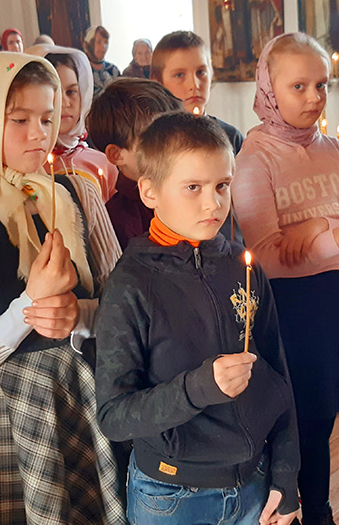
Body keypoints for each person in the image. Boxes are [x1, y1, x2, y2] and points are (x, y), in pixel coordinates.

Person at [0, 51, 125, 524]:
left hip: (93, 391)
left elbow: (128, 306)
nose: (39, 134)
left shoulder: (79, 192)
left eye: (48, 118)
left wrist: (82, 315)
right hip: (14, 415)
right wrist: (28, 305)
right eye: (19, 120)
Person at [96, 111, 301, 525]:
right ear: (150, 191)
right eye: (193, 187)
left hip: (255, 486)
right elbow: (114, 416)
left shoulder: (243, 267)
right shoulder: (131, 285)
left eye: (222, 185)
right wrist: (199, 387)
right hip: (172, 497)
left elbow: (278, 376)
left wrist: (286, 475)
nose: (213, 203)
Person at [233, 33, 339, 525]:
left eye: (321, 85)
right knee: (289, 420)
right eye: (298, 86)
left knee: (321, 420)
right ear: (268, 87)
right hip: (289, 307)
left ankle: (318, 508)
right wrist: (338, 229)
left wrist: (318, 229)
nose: (314, 98)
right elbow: (271, 256)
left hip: (335, 302)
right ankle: (286, 507)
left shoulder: (336, 151)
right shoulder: (255, 157)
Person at [86, 78, 183, 250]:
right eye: (155, 140)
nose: (171, 148)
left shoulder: (186, 192)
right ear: (116, 155)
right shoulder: (121, 218)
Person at [28, 44, 118, 202]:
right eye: (53, 93)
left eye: (71, 92)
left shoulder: (103, 162)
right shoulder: (24, 165)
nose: (64, 103)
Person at [151, 30, 245, 154]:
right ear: (158, 82)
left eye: (201, 72)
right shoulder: (152, 143)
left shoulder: (231, 137)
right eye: (179, 75)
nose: (194, 85)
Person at [84, 25, 120, 95]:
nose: (103, 46)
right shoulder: (82, 70)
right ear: (89, 43)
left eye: (106, 42)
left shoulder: (113, 69)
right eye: (98, 42)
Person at [228, 0, 252, 64]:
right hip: (234, 19)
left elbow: (245, 3)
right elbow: (228, 5)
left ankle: (245, 56)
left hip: (242, 17)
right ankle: (237, 58)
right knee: (236, 38)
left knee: (243, 37)